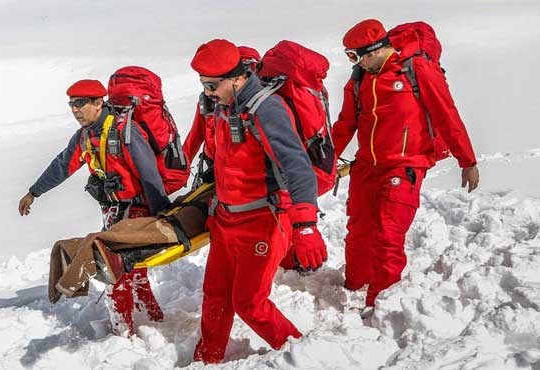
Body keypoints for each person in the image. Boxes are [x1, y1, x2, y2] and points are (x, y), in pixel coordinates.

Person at [189, 39, 328, 363]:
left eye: (211, 85)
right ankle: (206, 359)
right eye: (202, 85)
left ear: (236, 78)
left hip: (262, 222)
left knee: (249, 303)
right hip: (226, 221)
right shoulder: (225, 105)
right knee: (215, 297)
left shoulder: (266, 109)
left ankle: (303, 355)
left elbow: (297, 167)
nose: (207, 92)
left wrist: (306, 225)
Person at [17, 79, 186, 336]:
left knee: (114, 273)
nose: (75, 110)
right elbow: (62, 166)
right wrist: (34, 192)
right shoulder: (85, 136)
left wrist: (161, 214)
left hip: (135, 211)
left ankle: (122, 333)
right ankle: (153, 316)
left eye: (81, 103)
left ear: (98, 102)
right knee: (133, 269)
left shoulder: (125, 132)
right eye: (72, 104)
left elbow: (149, 173)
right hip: (113, 211)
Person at [332, 19, 480, 312]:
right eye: (350, 57)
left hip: (404, 166)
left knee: (388, 235)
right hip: (366, 167)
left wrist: (468, 160)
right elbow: (345, 124)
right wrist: (322, 163)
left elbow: (446, 114)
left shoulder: (416, 70)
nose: (355, 62)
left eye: (356, 55)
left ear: (375, 50)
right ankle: (353, 286)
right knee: (359, 230)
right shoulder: (359, 78)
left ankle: (378, 307)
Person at [183, 45, 262, 185]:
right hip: (223, 168)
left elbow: (195, 137)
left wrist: (181, 168)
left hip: (234, 171)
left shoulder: (262, 105)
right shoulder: (210, 99)